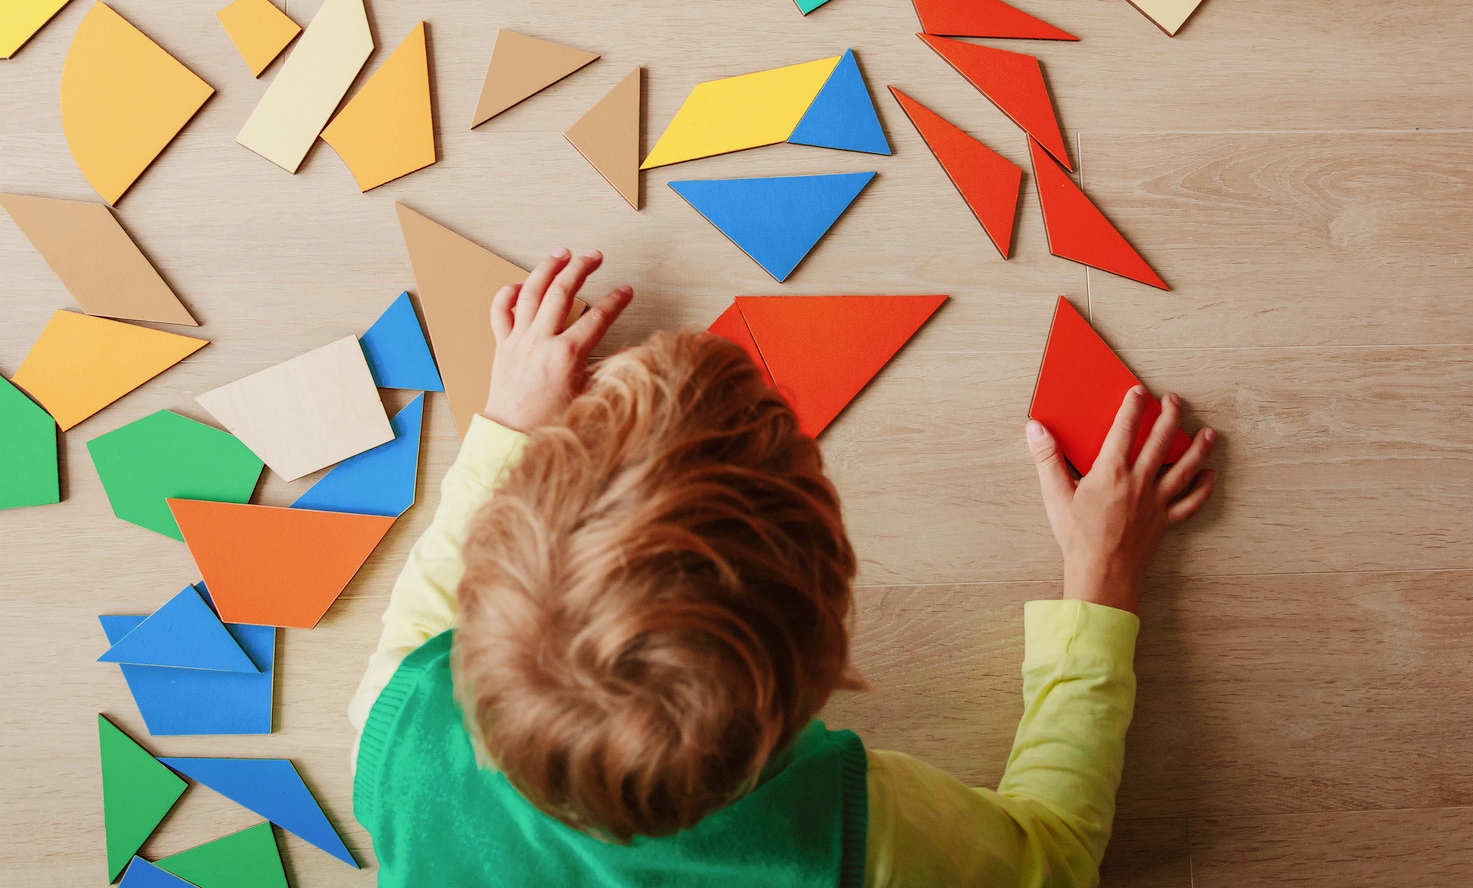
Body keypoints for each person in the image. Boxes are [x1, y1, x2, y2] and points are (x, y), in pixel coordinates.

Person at [349, 249, 1220, 886]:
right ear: (827, 648)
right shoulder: (847, 842)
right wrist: (1099, 588)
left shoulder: (395, 721)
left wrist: (508, 426)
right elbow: (1054, 857)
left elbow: (425, 615)